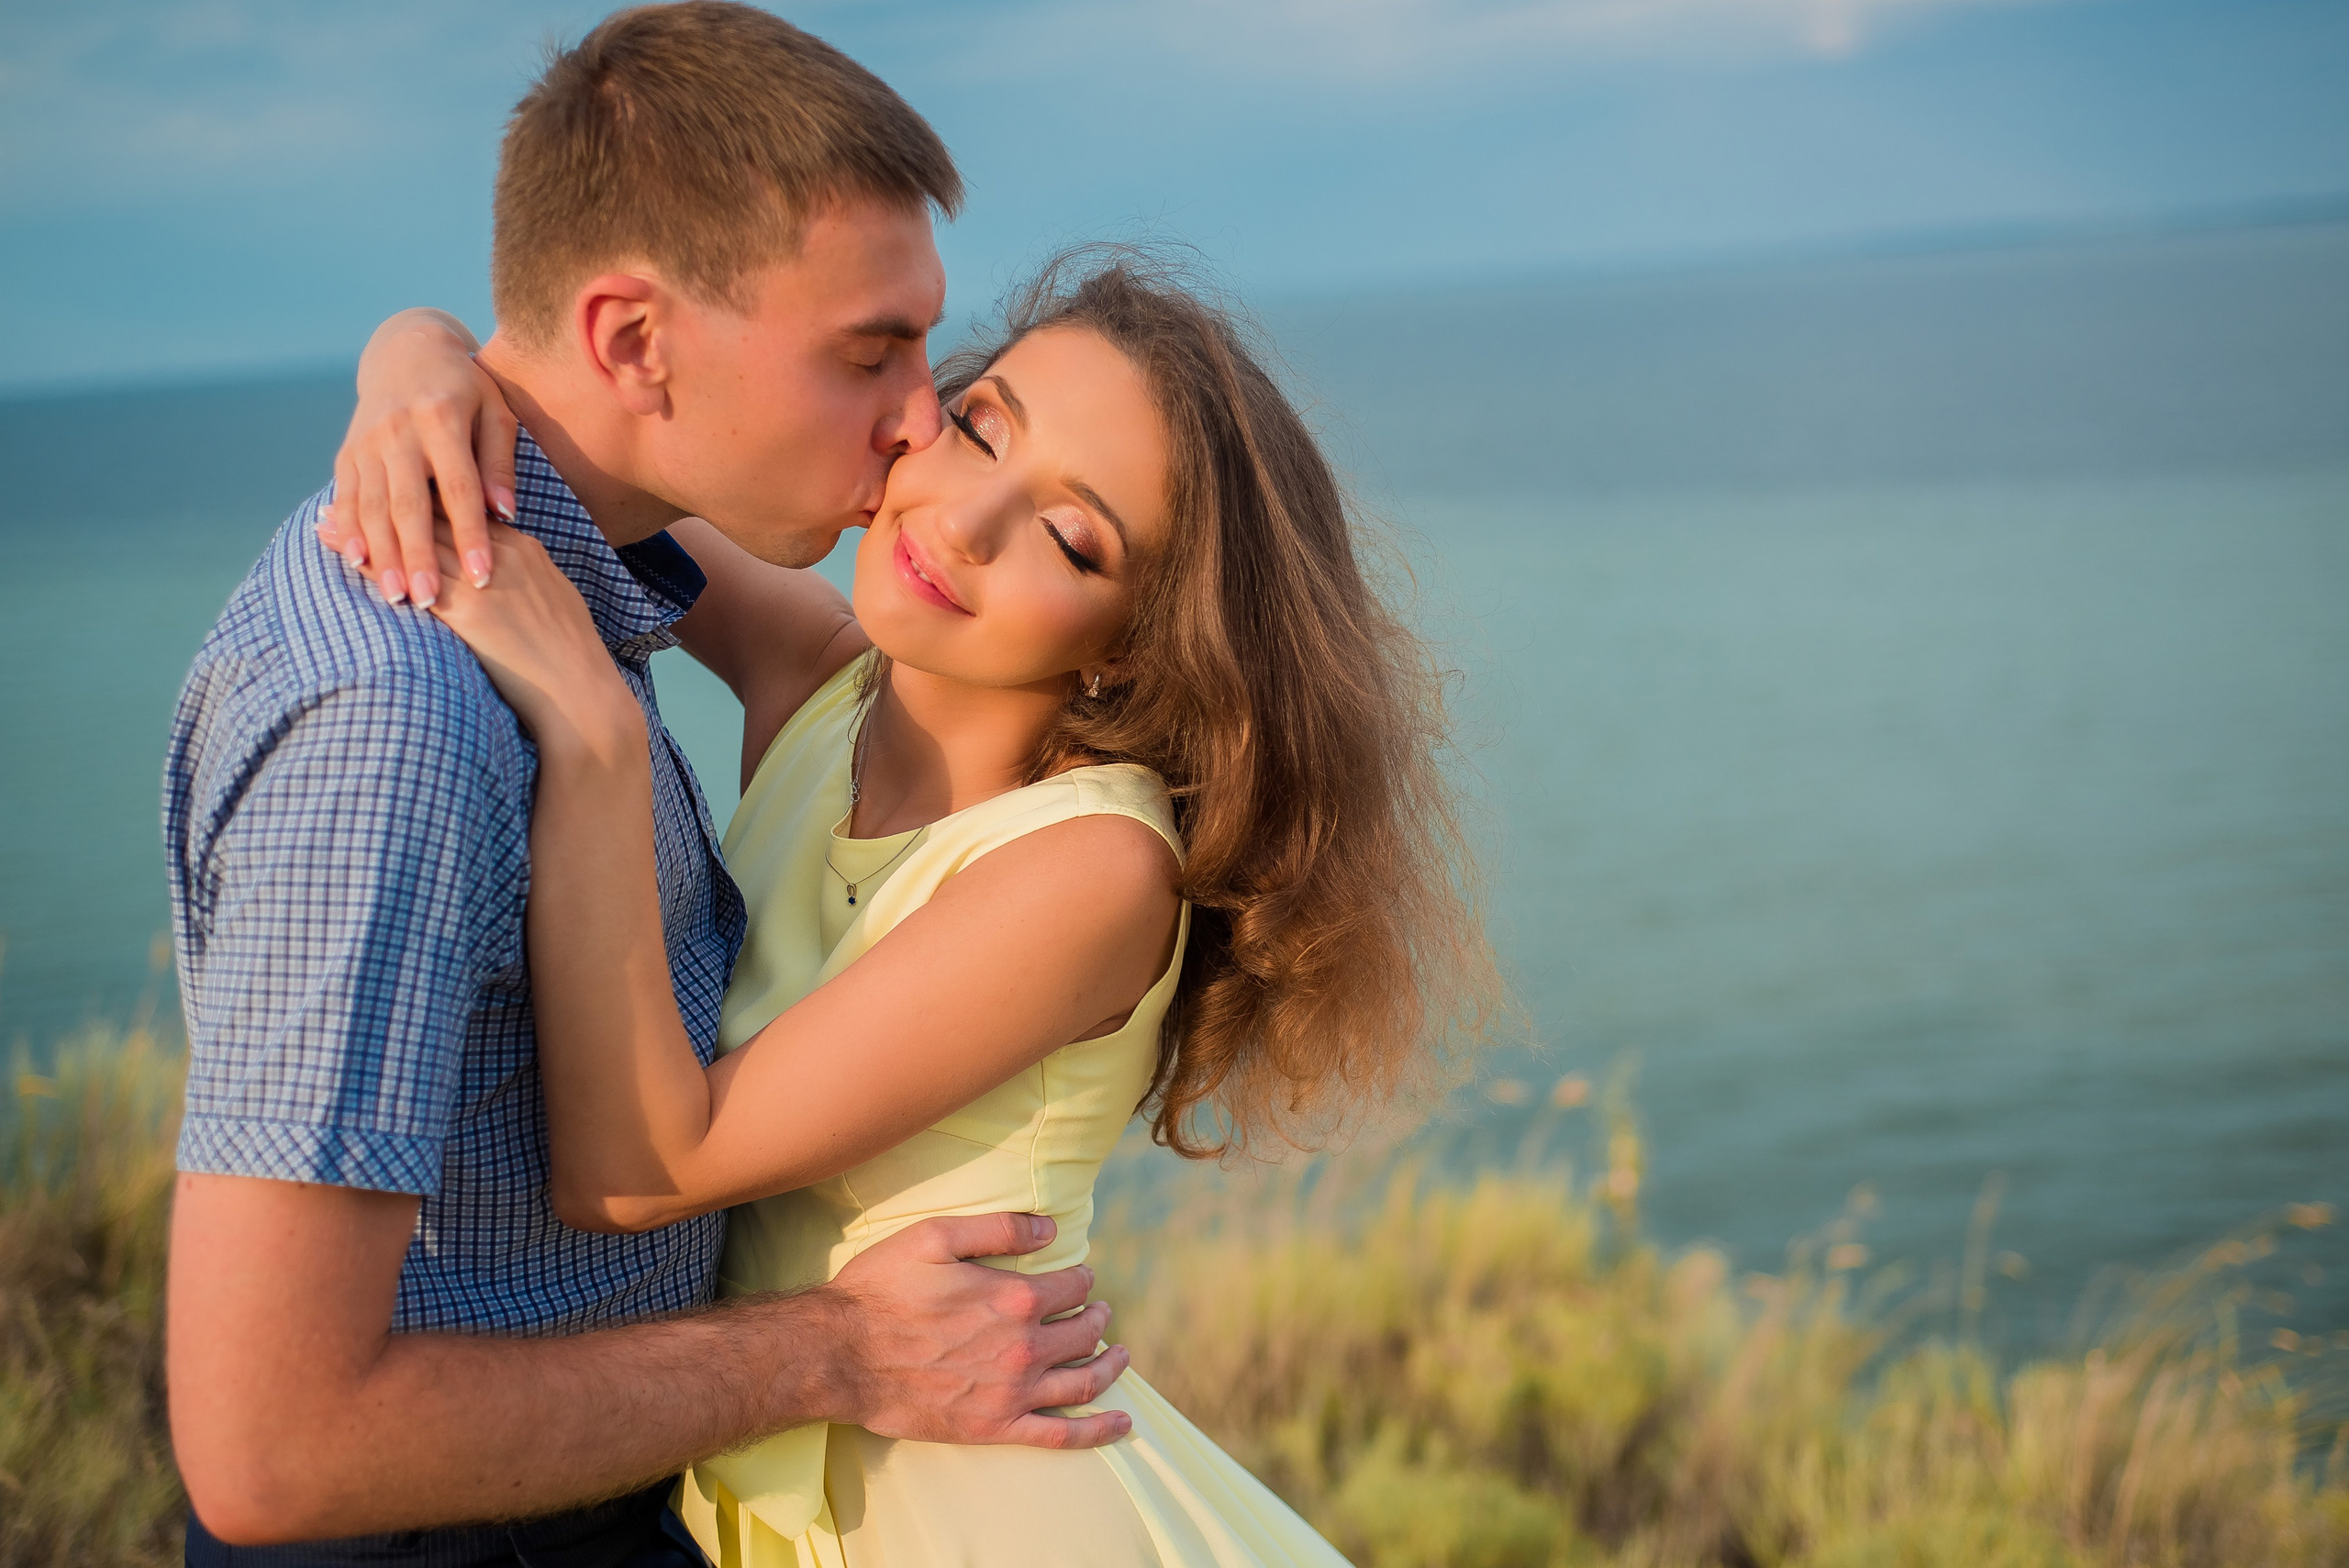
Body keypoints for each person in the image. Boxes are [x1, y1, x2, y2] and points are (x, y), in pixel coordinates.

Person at [320, 247, 1497, 1565]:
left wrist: (597, 740)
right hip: (766, 1475)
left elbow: (636, 1171)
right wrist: (409, 358)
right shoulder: (821, 675)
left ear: (1131, 641)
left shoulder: (1094, 867)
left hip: (977, 1513)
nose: (964, 520)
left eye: (1069, 535)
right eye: (984, 427)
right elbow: (574, 438)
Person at [161, 8, 1132, 1565]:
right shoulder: (397, 721)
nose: (915, 423)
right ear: (631, 344)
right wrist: (840, 1351)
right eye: (866, 354)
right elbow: (270, 1450)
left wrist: (411, 342)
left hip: (615, 1487)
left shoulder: (568, 558)